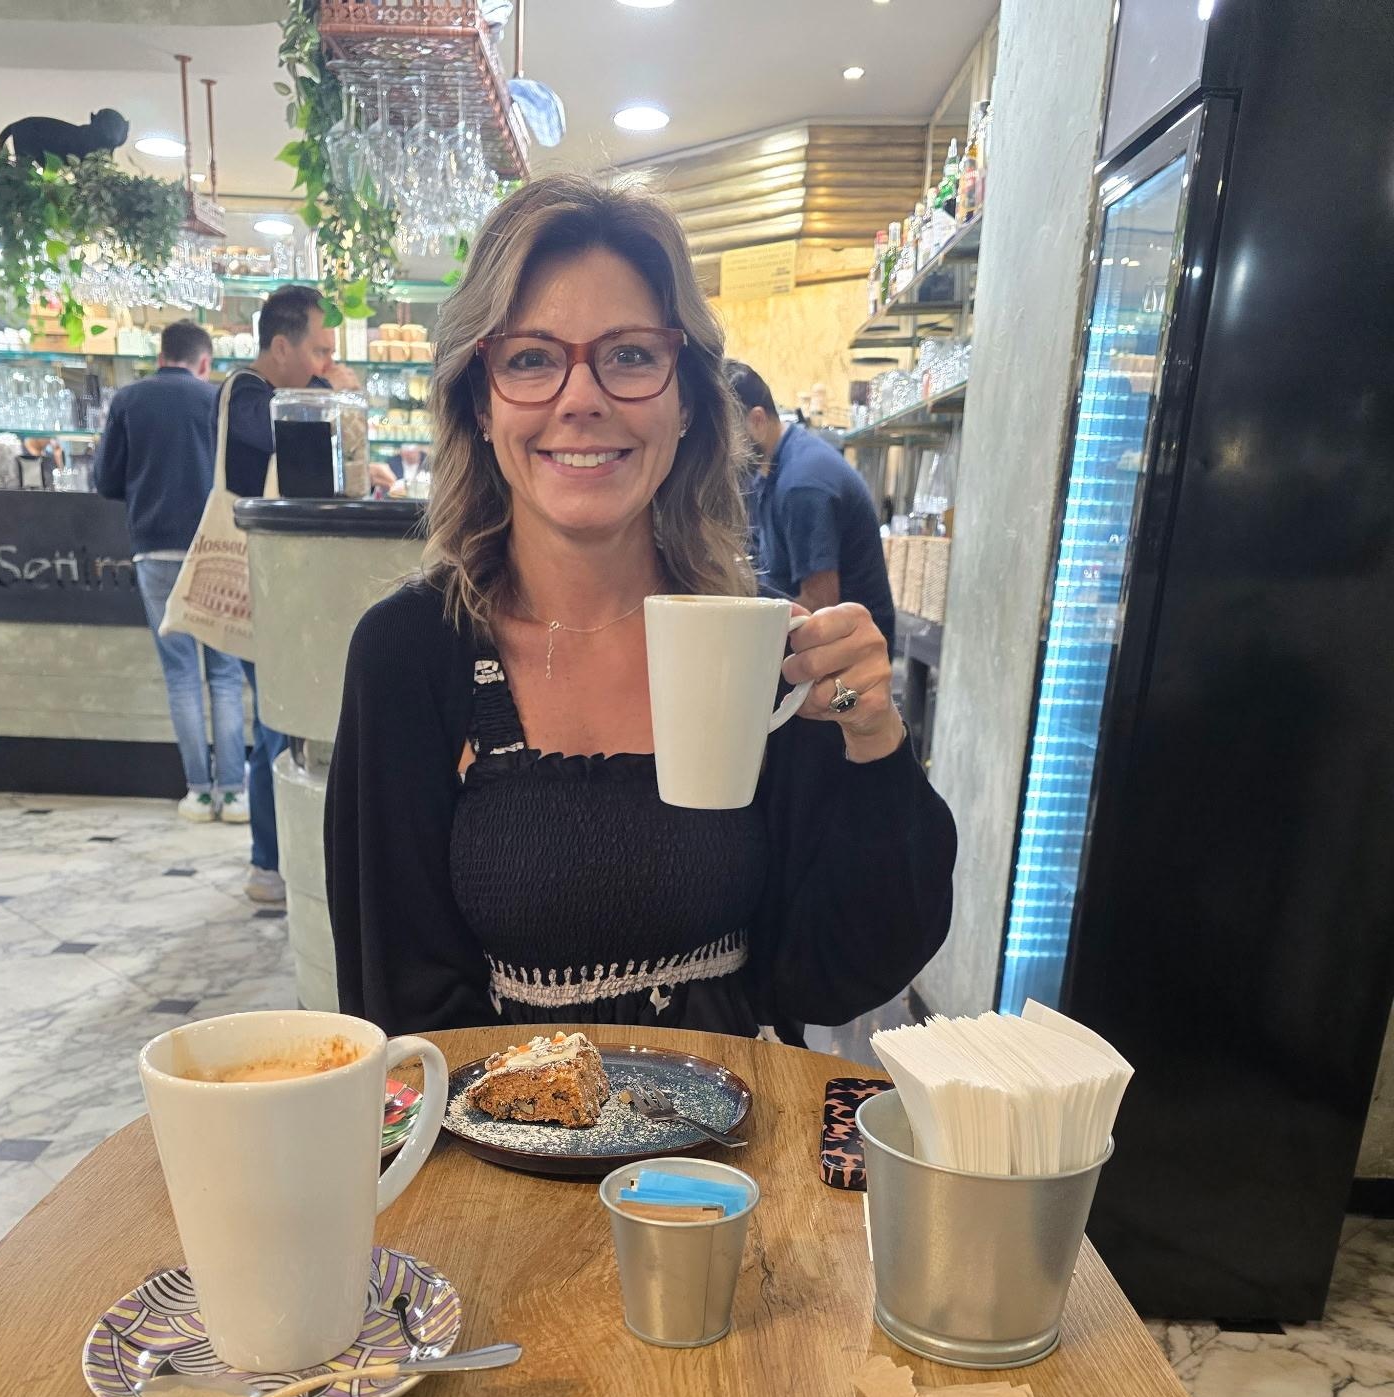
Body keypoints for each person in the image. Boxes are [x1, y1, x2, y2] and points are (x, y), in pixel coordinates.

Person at [325, 174, 955, 1039]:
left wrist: (874, 741)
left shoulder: (761, 644)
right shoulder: (409, 653)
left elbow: (833, 976)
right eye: (531, 358)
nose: (581, 398)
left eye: (629, 355)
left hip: (735, 1124)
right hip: (493, 1124)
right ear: (481, 403)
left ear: (688, 400)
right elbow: (399, 1011)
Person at [224, 286, 359, 904]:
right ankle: (267, 864)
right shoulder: (245, 395)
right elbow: (289, 427)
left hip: (283, 586)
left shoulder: (270, 394)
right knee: (276, 722)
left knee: (282, 722)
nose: (324, 363)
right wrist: (331, 392)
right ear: (281, 346)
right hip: (258, 584)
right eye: (318, 350)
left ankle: (282, 860)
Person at [93, 319, 250, 825]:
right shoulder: (217, 399)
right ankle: (234, 792)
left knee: (181, 676)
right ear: (204, 362)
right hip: (215, 549)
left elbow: (105, 481)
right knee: (225, 674)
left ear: (161, 355)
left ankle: (198, 793)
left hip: (154, 550)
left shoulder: (128, 400)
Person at [728, 360, 896, 654]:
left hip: (848, 657)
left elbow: (819, 605)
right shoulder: (770, 467)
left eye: (726, 435)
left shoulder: (802, 485)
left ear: (757, 420)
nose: (720, 449)